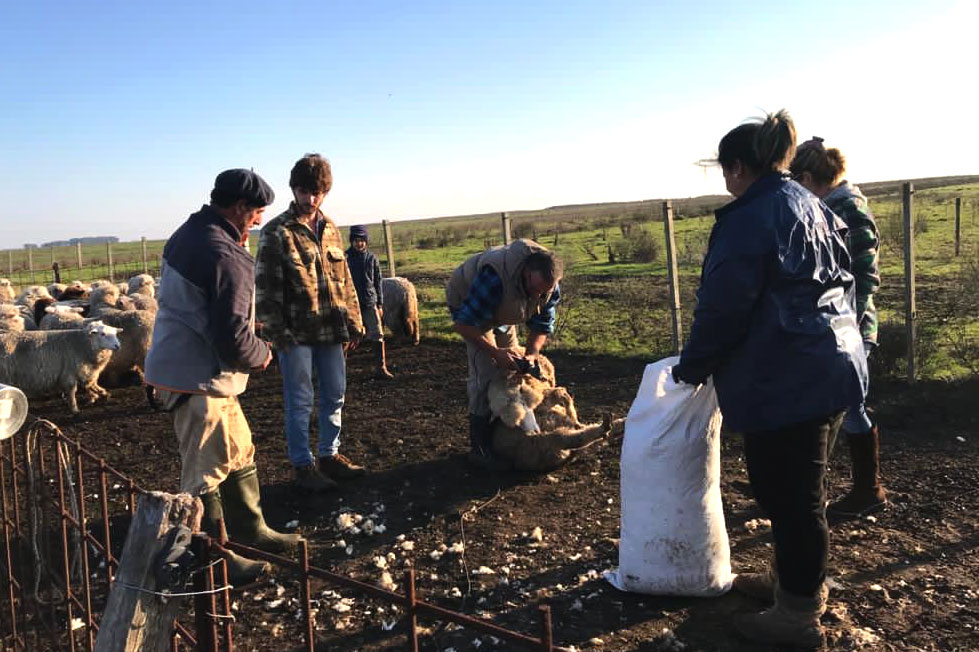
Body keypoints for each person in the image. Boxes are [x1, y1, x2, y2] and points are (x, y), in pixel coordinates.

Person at [671, 110, 867, 648]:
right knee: (804, 491)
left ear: (738, 167)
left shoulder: (750, 219)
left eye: (725, 170)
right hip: (831, 365)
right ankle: (793, 587)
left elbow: (724, 306)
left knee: (791, 497)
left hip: (787, 378)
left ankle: (798, 616)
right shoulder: (814, 205)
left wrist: (693, 365)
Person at [145, 169, 300, 587]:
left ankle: (252, 530)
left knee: (238, 448)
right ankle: (211, 555)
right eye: (255, 214)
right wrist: (262, 353)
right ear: (237, 208)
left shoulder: (189, 233)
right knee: (203, 472)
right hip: (199, 380)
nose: (257, 222)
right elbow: (233, 340)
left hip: (192, 370)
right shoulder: (225, 255)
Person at [255, 154, 366, 493]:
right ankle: (303, 464)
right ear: (294, 189)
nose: (311, 199)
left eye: (317, 192)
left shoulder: (331, 229)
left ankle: (329, 455)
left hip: (332, 329)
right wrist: (277, 334)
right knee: (300, 399)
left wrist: (355, 321)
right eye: (305, 191)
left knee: (335, 393)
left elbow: (344, 279)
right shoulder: (277, 232)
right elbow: (266, 288)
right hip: (296, 334)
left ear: (325, 192)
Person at [790, 137, 887, 519]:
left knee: (850, 405)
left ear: (810, 177)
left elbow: (865, 278)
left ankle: (868, 489)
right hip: (837, 327)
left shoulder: (849, 210)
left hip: (851, 331)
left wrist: (848, 328)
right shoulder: (830, 207)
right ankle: (815, 485)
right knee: (833, 406)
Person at [445, 239, 562, 470]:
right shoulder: (494, 278)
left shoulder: (548, 287)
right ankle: (479, 449)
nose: (536, 295)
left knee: (513, 372)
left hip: (504, 311)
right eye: (533, 289)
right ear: (526, 272)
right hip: (470, 309)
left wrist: (531, 355)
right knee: (486, 373)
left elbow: (542, 325)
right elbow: (464, 325)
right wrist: (495, 353)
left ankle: (506, 435)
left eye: (542, 292)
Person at [345, 224, 394, 378]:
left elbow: (378, 281)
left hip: (369, 301)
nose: (360, 243)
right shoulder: (345, 258)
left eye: (362, 240)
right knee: (346, 337)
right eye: (356, 240)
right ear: (352, 241)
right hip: (351, 304)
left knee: (377, 334)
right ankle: (340, 371)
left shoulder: (372, 258)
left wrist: (379, 303)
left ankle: (381, 368)